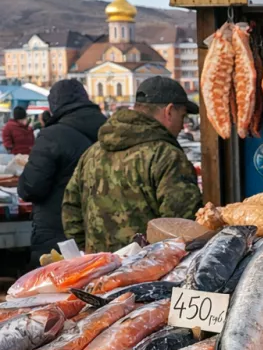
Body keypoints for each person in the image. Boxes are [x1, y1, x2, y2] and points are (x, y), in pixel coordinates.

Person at [63, 76, 202, 253]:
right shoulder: (166, 156)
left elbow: (70, 211)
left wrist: (88, 254)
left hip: (100, 271)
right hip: (151, 272)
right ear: (168, 111)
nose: (182, 126)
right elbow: (183, 225)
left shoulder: (92, 152)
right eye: (182, 116)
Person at [17, 80, 107, 266]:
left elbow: (31, 188)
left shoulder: (52, 135)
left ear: (54, 105)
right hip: (102, 230)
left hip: (57, 234)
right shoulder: (109, 129)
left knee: (53, 292)